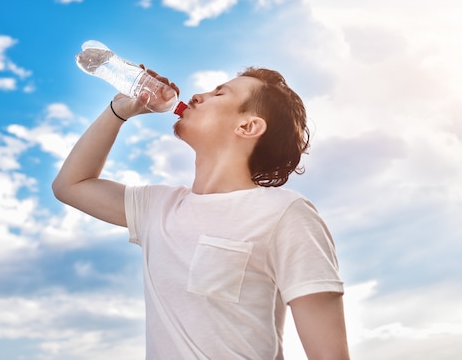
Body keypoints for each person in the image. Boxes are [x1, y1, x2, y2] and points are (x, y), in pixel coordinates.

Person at [52, 65, 350, 359]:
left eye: (219, 93)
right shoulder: (159, 208)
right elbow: (71, 185)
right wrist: (119, 111)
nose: (196, 96)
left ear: (247, 126)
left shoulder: (285, 213)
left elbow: (330, 355)